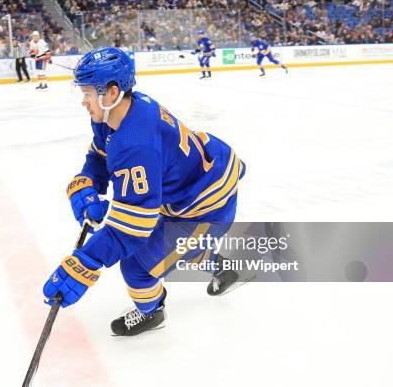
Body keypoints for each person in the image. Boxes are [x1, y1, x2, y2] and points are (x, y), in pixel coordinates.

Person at [42, 47, 246, 336]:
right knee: (175, 247)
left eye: (87, 92)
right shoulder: (118, 112)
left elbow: (132, 229)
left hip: (206, 208)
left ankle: (152, 312)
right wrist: (88, 181)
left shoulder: (135, 143)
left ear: (111, 92)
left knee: (136, 267)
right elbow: (101, 153)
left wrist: (86, 262)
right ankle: (220, 265)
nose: (83, 102)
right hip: (193, 190)